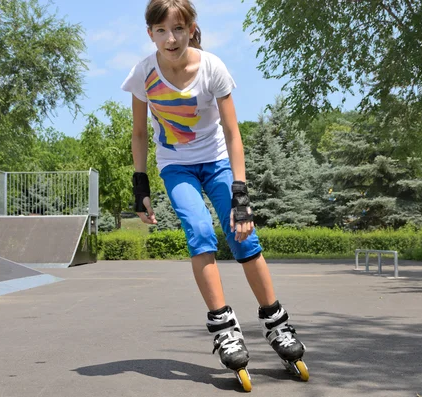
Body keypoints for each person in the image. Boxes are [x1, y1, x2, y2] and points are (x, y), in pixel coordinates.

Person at [121, 0, 308, 384]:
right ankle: (224, 327)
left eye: (177, 29)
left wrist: (241, 196)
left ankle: (276, 322)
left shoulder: (212, 68)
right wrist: (140, 185)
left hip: (219, 162)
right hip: (176, 167)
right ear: (150, 33)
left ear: (191, 29)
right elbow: (139, 133)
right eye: (161, 31)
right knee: (201, 232)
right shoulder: (143, 74)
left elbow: (233, 133)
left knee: (243, 236)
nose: (170, 39)